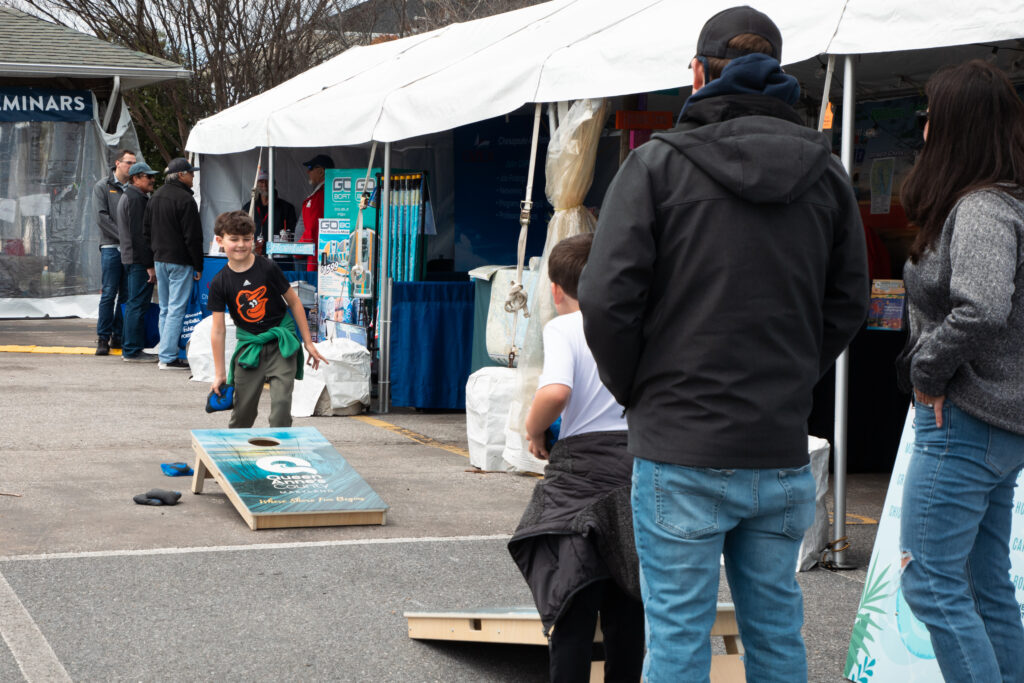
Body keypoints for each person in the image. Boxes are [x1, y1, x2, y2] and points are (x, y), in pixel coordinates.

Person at [576, 6, 869, 681]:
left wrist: (636, 388)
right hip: (777, 443)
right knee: (776, 634)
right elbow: (848, 301)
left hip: (680, 444)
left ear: (699, 73)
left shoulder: (656, 168)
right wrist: (794, 374)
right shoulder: (827, 177)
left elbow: (606, 296)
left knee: (678, 639)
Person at [896, 59, 1024, 683]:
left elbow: (981, 307)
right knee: (982, 582)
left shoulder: (982, 207)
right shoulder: (1003, 201)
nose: (921, 127)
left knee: (932, 584)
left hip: (968, 417)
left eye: (930, 114)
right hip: (999, 419)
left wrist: (926, 371)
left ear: (954, 127)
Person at [508, 233, 644, 683]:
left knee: (573, 598)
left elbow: (557, 391)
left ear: (555, 289)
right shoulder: (639, 322)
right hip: (637, 466)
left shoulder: (565, 327)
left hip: (582, 470)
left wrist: (532, 430)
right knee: (630, 603)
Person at [208, 210, 327, 428]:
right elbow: (217, 330)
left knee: (281, 406)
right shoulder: (219, 282)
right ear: (220, 241)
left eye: (247, 239)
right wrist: (219, 373)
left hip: (281, 343)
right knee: (243, 413)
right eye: (234, 239)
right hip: (249, 347)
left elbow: (294, 302)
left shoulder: (268, 268)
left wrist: (308, 343)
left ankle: (280, 456)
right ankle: (235, 457)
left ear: (253, 240)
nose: (241, 245)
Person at [144, 157, 204, 371]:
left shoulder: (155, 196)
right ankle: (168, 357)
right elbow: (193, 237)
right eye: (190, 172)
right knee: (176, 309)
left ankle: (164, 353)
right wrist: (198, 265)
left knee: (166, 309)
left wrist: (150, 259)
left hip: (160, 259)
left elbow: (146, 232)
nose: (193, 176)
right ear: (181, 175)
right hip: (180, 261)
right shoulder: (186, 200)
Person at [93, 148, 136, 356]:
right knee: (109, 293)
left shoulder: (135, 188)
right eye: (129, 162)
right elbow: (102, 218)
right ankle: (103, 337)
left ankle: (118, 335)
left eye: (134, 163)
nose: (132, 167)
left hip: (130, 249)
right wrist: (125, 237)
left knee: (126, 294)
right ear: (118, 163)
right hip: (111, 247)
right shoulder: (103, 186)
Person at [116, 161, 159, 363]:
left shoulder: (133, 196)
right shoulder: (135, 199)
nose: (152, 180)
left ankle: (131, 347)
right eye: (147, 176)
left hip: (134, 258)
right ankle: (132, 349)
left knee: (136, 303)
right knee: (137, 304)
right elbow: (139, 235)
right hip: (138, 260)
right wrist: (149, 265)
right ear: (135, 178)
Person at [242, 168, 297, 267]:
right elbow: (241, 232)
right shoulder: (248, 207)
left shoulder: (287, 208)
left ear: (274, 184)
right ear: (257, 184)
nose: (264, 185)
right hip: (254, 257)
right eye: (261, 181)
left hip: (280, 260)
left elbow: (293, 234)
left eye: (268, 181)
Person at [298, 153, 333, 272]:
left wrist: (298, 249)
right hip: (318, 254)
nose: (308, 172)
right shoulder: (325, 192)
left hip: (315, 256)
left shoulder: (321, 195)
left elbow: (313, 229)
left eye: (310, 169)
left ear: (321, 172)